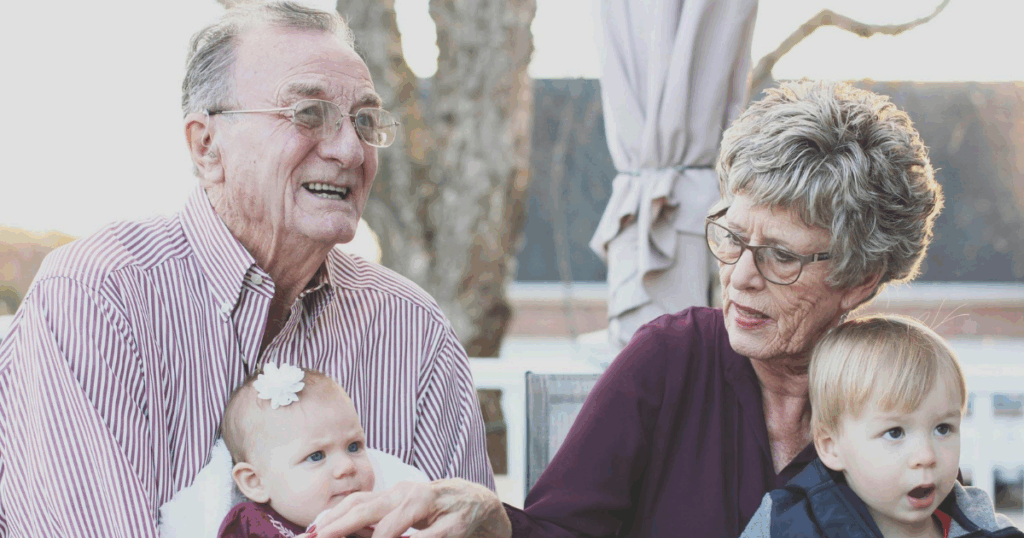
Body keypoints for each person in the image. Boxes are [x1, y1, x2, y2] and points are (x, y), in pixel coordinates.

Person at [306, 80, 948, 538]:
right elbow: (559, 530)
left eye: (781, 255)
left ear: (860, 279)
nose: (740, 277)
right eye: (731, 236)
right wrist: (496, 523)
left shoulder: (901, 392)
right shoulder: (669, 359)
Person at [0, 3, 493, 536]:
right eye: (308, 113)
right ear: (206, 145)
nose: (351, 149)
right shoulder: (97, 296)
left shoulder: (411, 328)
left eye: (366, 122)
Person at [741, 316, 1022, 538]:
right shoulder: (788, 524)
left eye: (943, 429)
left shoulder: (986, 527)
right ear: (831, 446)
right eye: (895, 433)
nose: (926, 455)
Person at [217, 363, 374, 538]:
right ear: (255, 482)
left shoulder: (377, 520)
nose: (347, 465)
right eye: (316, 456)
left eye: (354, 446)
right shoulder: (251, 522)